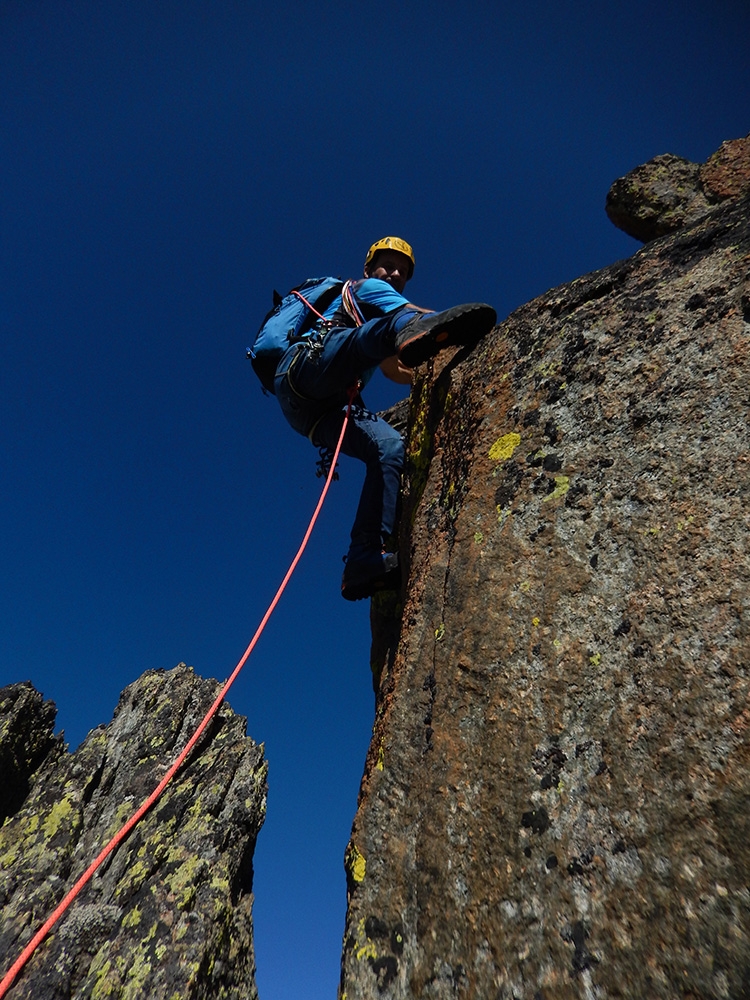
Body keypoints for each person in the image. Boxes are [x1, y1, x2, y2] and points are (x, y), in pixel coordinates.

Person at [272, 237, 496, 600]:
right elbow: (410, 321)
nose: (394, 273)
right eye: (387, 265)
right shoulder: (366, 289)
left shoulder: (380, 324)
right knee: (386, 331)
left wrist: (429, 374)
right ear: (369, 269)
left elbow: (395, 368)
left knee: (390, 448)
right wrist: (452, 333)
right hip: (304, 369)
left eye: (402, 271)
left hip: (314, 413)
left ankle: (363, 560)